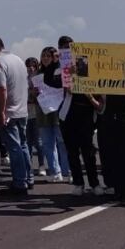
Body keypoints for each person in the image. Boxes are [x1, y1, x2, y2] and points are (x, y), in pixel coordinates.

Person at [0, 35, 33, 196]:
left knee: (14, 148)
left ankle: (20, 182)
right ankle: (28, 178)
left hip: (9, 111)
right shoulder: (17, 59)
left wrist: (2, 113)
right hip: (21, 109)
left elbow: (1, 89)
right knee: (23, 145)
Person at [57, 35, 103, 196]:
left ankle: (95, 183)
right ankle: (78, 182)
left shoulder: (84, 61)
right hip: (67, 113)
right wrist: (68, 75)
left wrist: (79, 73)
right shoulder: (60, 68)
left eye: (69, 46)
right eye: (63, 47)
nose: (66, 50)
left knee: (88, 150)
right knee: (72, 150)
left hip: (85, 112)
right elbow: (65, 88)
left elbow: (92, 85)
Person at [96, 73, 125, 202]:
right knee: (112, 154)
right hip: (108, 116)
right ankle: (117, 189)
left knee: (124, 155)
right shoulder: (104, 71)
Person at [35, 47, 71, 184]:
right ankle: (55, 171)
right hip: (43, 113)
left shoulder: (60, 71)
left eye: (48, 56)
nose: (45, 58)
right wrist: (35, 93)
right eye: (43, 55)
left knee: (62, 142)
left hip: (58, 112)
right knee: (47, 143)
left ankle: (67, 171)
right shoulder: (38, 74)